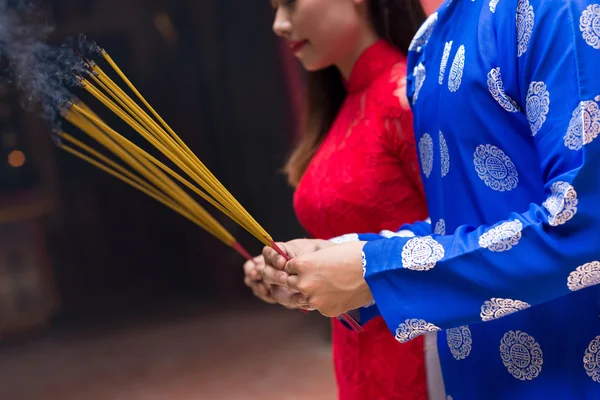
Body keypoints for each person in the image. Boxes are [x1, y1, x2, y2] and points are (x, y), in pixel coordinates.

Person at [261, 0, 600, 398]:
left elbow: (584, 229)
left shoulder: (555, 7)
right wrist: (347, 253)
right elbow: (456, 228)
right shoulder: (428, 43)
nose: (279, 24)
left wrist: (377, 271)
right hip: (471, 378)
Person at [243, 0, 449, 399]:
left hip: (420, 355)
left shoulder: (407, 97)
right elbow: (342, 258)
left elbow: (460, 237)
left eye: (289, 4)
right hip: (358, 355)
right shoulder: (345, 104)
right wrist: (294, 278)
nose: (279, 25)